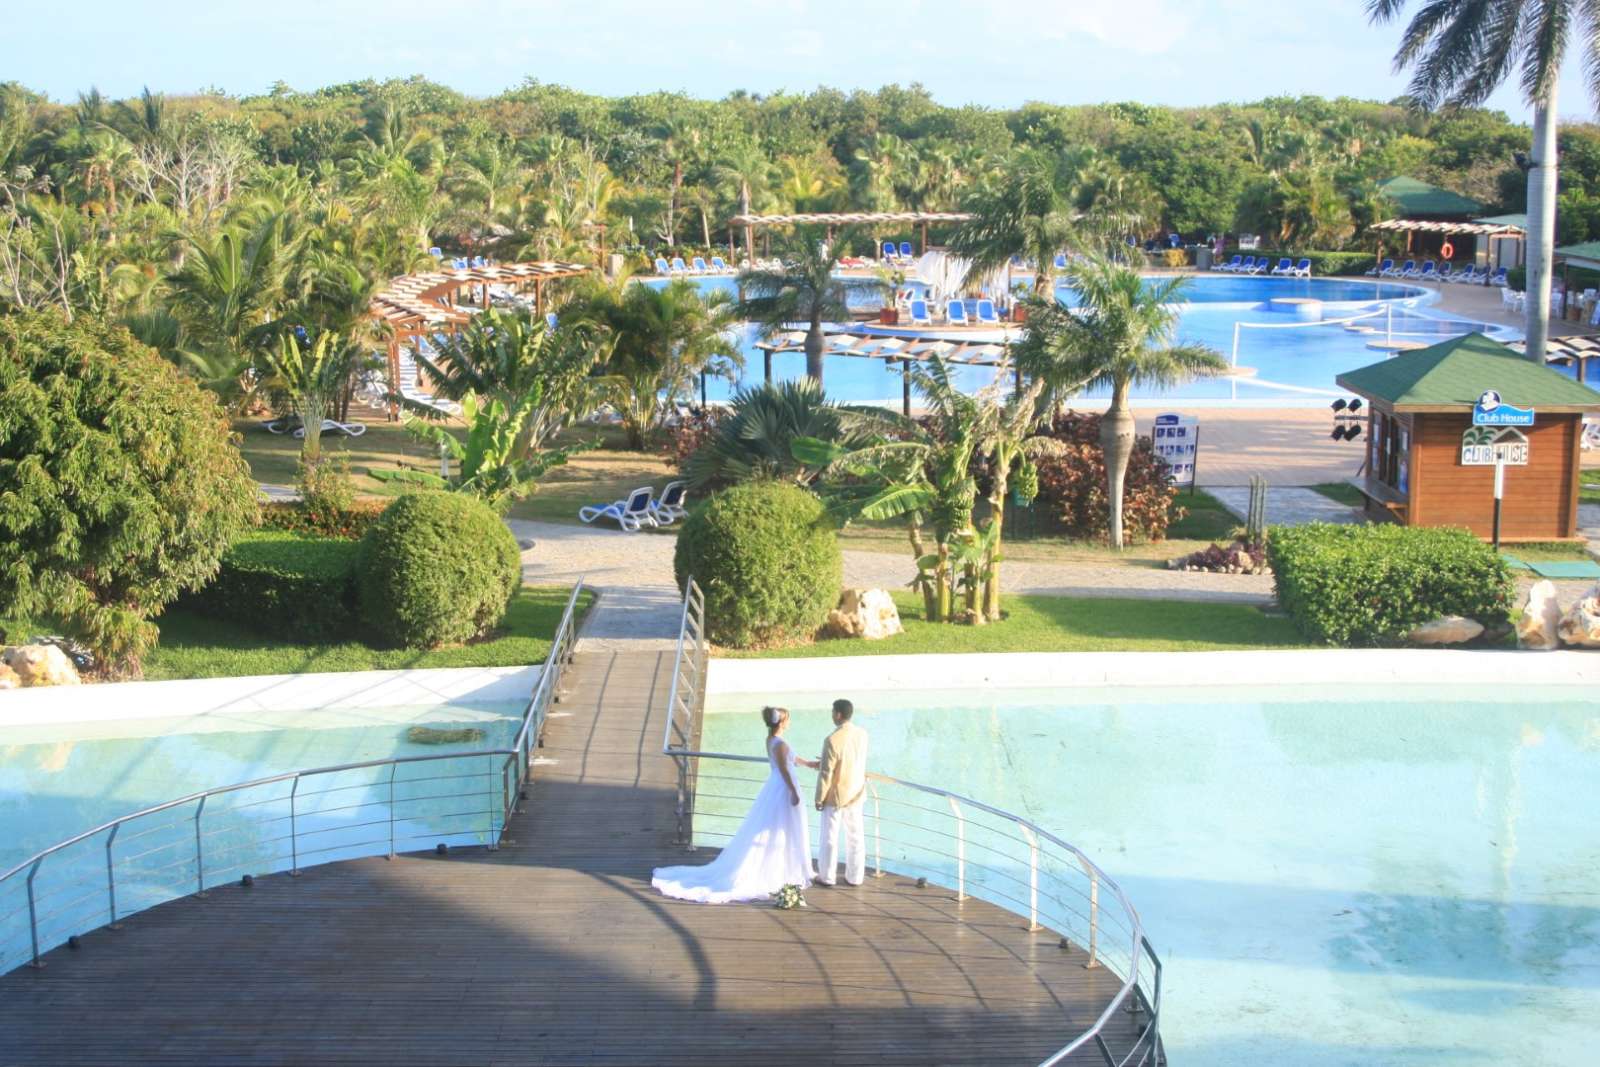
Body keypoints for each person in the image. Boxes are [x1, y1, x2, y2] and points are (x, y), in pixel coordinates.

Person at [651, 706, 813, 904]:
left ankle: (783, 864)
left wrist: (808, 764)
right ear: (781, 722)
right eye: (788, 719)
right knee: (779, 828)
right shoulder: (779, 744)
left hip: (775, 785)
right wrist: (794, 792)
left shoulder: (772, 740)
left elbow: (791, 759)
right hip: (783, 787)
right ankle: (779, 867)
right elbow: (784, 769)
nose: (789, 722)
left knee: (777, 828)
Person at [800, 698, 869, 888]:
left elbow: (826, 774)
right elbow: (853, 759)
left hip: (836, 796)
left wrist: (819, 798)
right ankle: (855, 877)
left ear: (838, 714)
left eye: (832, 712)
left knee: (829, 837)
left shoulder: (831, 740)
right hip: (857, 792)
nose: (832, 715)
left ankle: (827, 876)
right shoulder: (862, 734)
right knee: (856, 836)